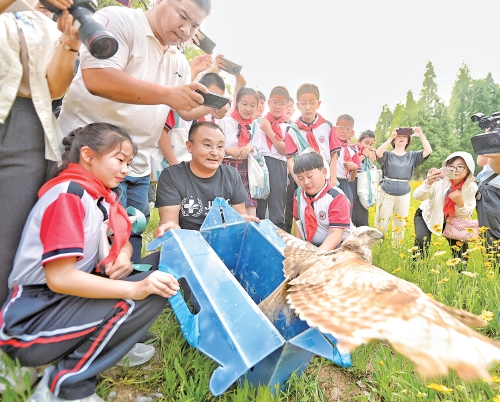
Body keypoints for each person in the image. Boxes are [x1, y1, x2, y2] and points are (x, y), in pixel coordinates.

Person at [0, 123, 180, 401]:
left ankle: (108, 346)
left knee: (164, 266)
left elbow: (117, 242)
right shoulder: (69, 195)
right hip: (31, 320)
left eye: (129, 163)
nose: (125, 170)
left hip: (59, 303)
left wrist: (123, 253)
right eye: (119, 160)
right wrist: (133, 288)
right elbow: (59, 278)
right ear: (87, 154)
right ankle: (65, 388)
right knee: (148, 291)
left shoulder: (98, 197)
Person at [57, 0, 225, 262]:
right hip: (92, 159)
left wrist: (211, 109)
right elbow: (98, 77)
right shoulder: (119, 20)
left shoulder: (179, 60)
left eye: (195, 25)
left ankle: (123, 298)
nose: (186, 30)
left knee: (129, 243)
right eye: (183, 16)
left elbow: (183, 110)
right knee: (85, 247)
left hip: (138, 167)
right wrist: (168, 94)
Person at [0, 0, 80, 307]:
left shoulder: (46, 26)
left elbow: (53, 88)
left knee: (8, 236)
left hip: (27, 125)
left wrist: (70, 43)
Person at [155, 121, 259, 236]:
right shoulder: (172, 176)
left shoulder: (232, 175)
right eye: (207, 145)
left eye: (220, 147)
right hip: (187, 243)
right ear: (189, 146)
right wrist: (170, 227)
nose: (214, 152)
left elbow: (240, 214)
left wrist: (245, 220)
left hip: (223, 242)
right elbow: (169, 221)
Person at [413, 152, 477, 259]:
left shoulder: (471, 187)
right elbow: (417, 196)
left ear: (468, 170)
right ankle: (417, 269)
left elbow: (466, 215)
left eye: (460, 167)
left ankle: (460, 274)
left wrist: (460, 204)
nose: (455, 169)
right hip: (428, 215)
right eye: (451, 166)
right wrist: (428, 182)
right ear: (446, 167)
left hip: (451, 219)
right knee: (422, 240)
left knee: (461, 248)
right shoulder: (439, 180)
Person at [375, 127, 432, 240]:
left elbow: (428, 151)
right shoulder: (388, 155)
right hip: (386, 191)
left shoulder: (412, 156)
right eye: (399, 136)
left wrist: (421, 134)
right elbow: (378, 152)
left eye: (404, 137)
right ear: (394, 140)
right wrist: (391, 136)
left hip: (404, 192)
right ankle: (378, 247)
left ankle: (397, 248)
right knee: (381, 220)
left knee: (400, 222)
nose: (401, 138)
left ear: (407, 141)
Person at [159, 72, 226, 166]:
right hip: (167, 166)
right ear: (199, 90)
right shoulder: (178, 107)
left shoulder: (209, 119)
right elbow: (161, 132)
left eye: (218, 99)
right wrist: (173, 163)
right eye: (212, 95)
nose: (213, 101)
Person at [293, 152, 352, 251]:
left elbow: (335, 234)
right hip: (311, 245)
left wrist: (317, 256)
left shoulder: (336, 197)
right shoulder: (298, 195)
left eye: (310, 176)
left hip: (339, 245)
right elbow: (298, 223)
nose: (306, 182)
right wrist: (300, 249)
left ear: (324, 172)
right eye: (300, 178)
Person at [285, 83, 340, 186]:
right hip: (305, 179)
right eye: (303, 103)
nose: (308, 107)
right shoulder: (292, 130)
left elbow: (334, 155)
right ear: (298, 105)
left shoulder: (327, 126)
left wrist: (332, 181)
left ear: (318, 104)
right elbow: (290, 160)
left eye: (312, 102)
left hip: (326, 177)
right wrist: (300, 182)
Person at [217, 87, 260, 216]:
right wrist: (228, 151)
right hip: (227, 166)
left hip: (246, 169)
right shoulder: (224, 122)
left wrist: (250, 148)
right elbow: (216, 147)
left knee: (249, 205)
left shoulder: (255, 126)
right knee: (226, 203)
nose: (248, 109)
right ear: (237, 103)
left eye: (253, 105)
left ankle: (250, 232)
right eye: (244, 104)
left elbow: (259, 150)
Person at [252, 86, 290, 229]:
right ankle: (259, 235)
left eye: (282, 103)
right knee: (259, 204)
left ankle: (278, 239)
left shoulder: (288, 127)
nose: (278, 106)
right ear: (268, 103)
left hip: (278, 166)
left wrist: (268, 130)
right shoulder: (257, 122)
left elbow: (285, 150)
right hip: (260, 164)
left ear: (287, 106)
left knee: (277, 206)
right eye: (274, 102)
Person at [349, 130, 377, 227]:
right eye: (366, 143)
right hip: (351, 183)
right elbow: (351, 164)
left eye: (371, 144)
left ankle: (363, 232)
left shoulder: (370, 154)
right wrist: (363, 156)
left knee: (362, 211)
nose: (368, 146)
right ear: (358, 141)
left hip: (363, 184)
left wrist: (371, 161)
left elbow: (370, 173)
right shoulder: (351, 150)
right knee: (351, 211)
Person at [334, 114, 361, 204]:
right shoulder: (329, 148)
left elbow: (352, 179)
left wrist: (355, 168)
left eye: (348, 129)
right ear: (335, 128)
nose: (344, 131)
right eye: (341, 127)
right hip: (329, 183)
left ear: (352, 132)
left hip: (345, 184)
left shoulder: (352, 152)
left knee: (345, 210)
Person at [475, 155, 500, 246]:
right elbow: (481, 161)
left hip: (493, 188)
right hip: (492, 189)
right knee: (491, 233)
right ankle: (494, 260)